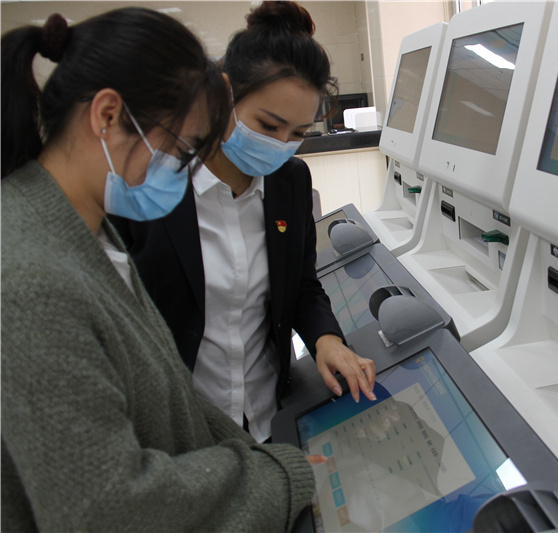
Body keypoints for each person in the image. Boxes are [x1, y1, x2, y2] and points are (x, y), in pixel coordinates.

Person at [1, 8, 317, 531]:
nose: (185, 170)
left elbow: (167, 389)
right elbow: (106, 509)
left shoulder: (84, 231)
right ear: (107, 115)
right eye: (180, 149)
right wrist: (280, 477)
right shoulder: (32, 280)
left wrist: (267, 461)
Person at [110, 1, 377, 444]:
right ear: (223, 95)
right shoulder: (150, 188)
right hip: (181, 433)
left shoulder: (290, 182)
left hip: (268, 418)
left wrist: (326, 339)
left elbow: (301, 286)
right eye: (268, 126)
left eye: (297, 134)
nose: (280, 146)